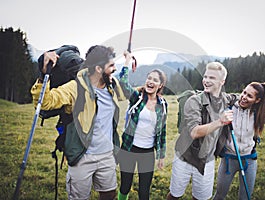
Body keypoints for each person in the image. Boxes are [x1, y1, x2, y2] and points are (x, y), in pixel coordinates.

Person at [31, 45, 127, 200]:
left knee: (109, 194)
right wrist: (43, 76)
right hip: (82, 157)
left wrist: (146, 90)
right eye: (111, 65)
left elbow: (125, 92)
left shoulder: (112, 84)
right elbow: (45, 102)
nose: (115, 69)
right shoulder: (75, 88)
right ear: (98, 69)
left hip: (107, 154)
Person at [167, 62, 238, 200]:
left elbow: (238, 97)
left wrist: (250, 98)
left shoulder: (225, 99)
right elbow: (194, 132)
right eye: (205, 76)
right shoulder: (193, 101)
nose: (206, 80)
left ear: (222, 81)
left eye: (212, 78)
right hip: (185, 157)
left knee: (201, 198)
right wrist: (220, 121)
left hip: (207, 159)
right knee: (175, 195)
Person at [117, 51, 168, 200]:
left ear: (160, 85)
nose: (150, 82)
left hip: (147, 153)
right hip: (129, 148)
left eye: (155, 80)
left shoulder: (163, 105)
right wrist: (127, 61)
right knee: (125, 186)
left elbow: (162, 130)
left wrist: (161, 155)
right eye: (149, 78)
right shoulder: (136, 98)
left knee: (144, 191)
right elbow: (123, 83)